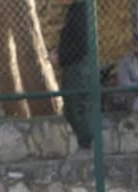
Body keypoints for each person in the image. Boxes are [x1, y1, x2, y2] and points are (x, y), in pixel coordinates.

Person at [51, 0, 94, 151]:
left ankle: (87, 145)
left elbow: (81, 46)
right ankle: (85, 143)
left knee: (76, 105)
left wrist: (61, 57)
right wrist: (60, 52)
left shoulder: (82, 10)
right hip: (71, 65)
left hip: (77, 67)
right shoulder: (74, 9)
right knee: (69, 106)